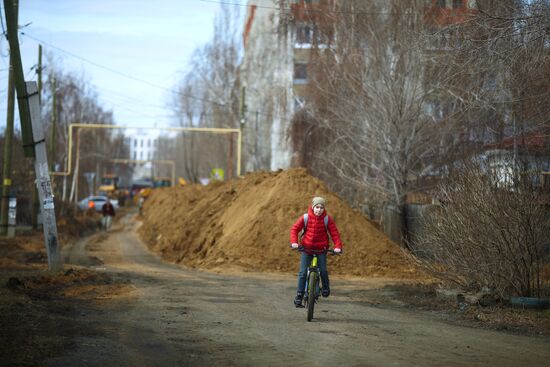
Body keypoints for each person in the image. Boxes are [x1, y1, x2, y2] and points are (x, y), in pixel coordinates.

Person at [289, 196, 343, 307]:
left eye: (321, 207)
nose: (319, 210)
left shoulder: (327, 219)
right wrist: (294, 242)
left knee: (323, 271)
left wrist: (338, 246)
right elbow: (294, 229)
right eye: (317, 207)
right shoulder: (305, 217)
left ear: (324, 209)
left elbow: (335, 234)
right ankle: (299, 295)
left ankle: (326, 288)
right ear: (313, 207)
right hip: (306, 249)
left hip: (321, 249)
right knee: (303, 273)